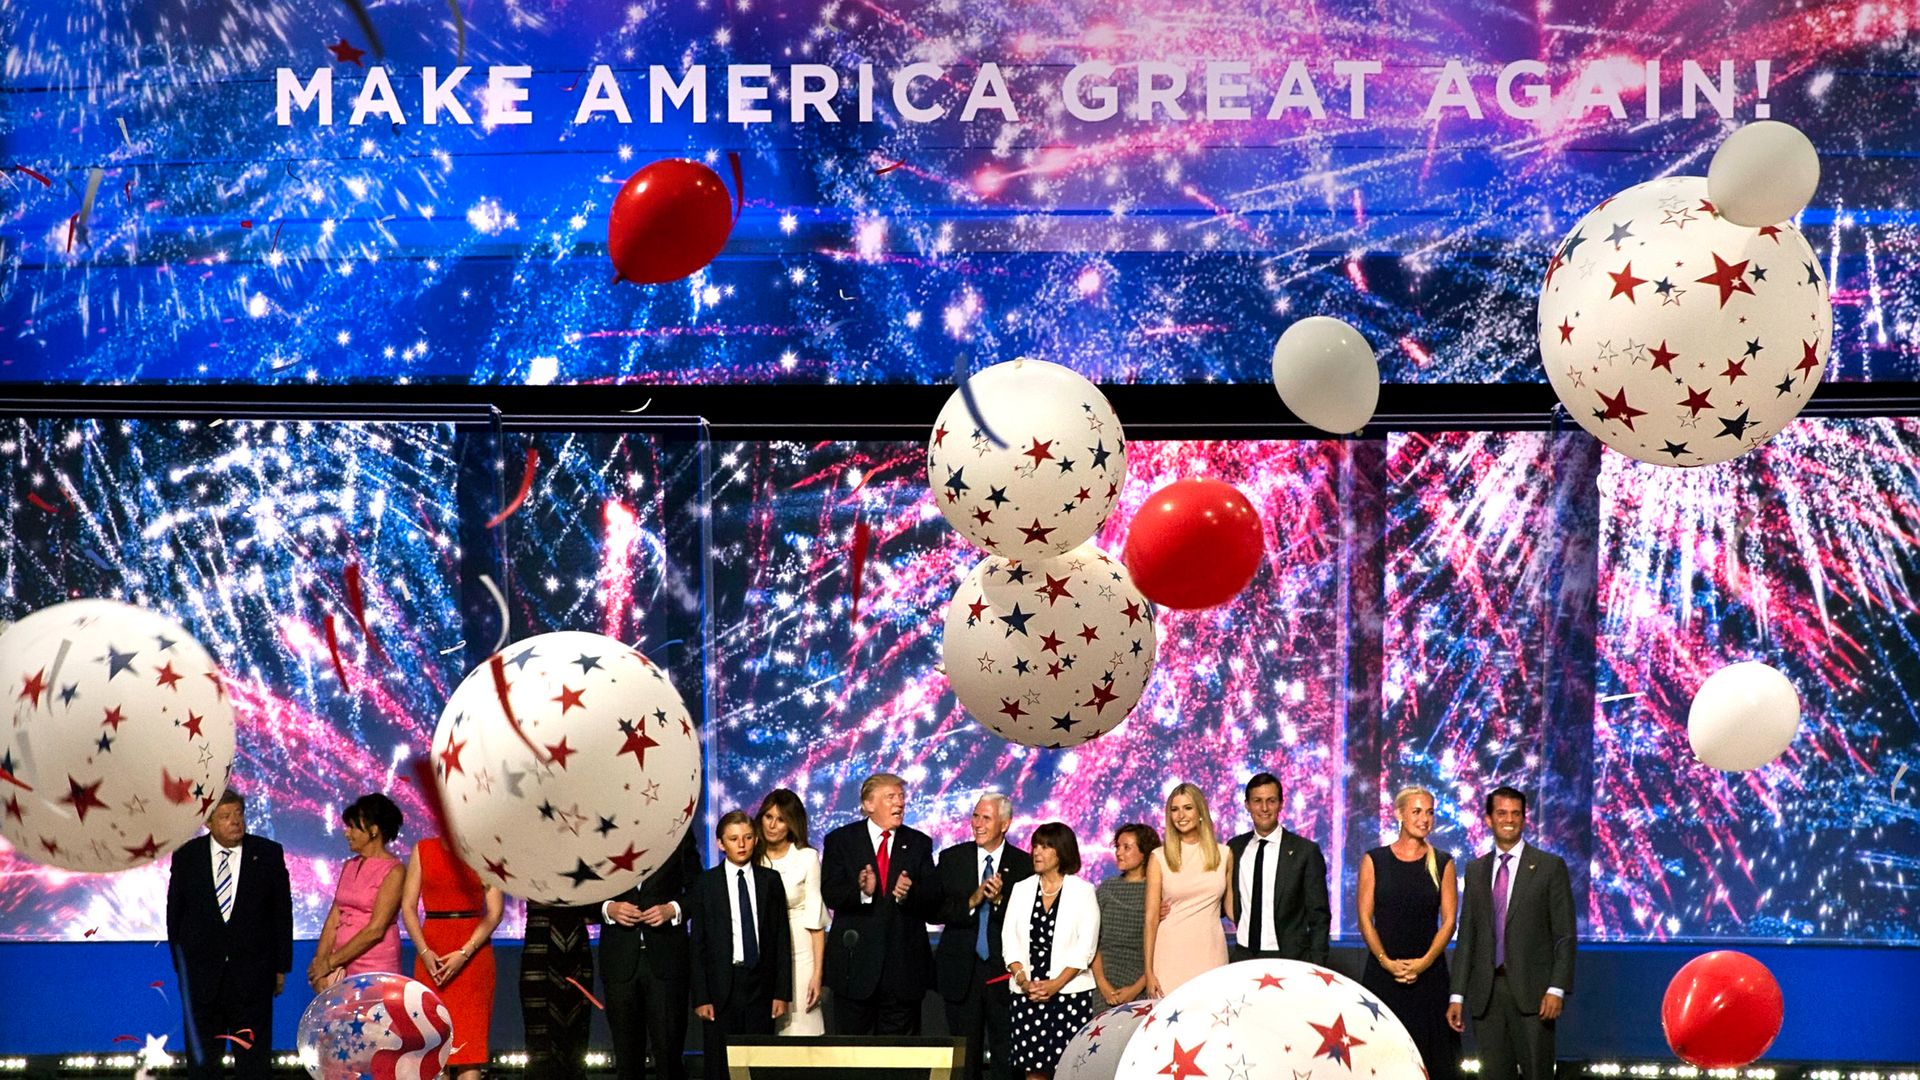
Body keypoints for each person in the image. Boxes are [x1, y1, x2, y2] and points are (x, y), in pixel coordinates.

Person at [1448, 787, 1577, 1080]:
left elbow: (1565, 935)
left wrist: (1556, 988)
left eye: (1516, 814)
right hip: (1486, 995)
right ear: (1489, 819)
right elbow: (1467, 935)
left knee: (1537, 1073)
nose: (1509, 820)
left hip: (1535, 996)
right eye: (1502, 813)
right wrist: (1457, 995)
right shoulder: (1476, 869)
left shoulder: (1549, 867)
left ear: (1524, 818)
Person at [166, 790, 293, 1080]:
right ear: (208, 822)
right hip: (202, 979)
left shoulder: (269, 853)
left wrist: (280, 967)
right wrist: (184, 969)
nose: (235, 822)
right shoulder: (187, 856)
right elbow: (175, 917)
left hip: (253, 978)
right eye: (225, 816)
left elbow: (281, 914)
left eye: (239, 814)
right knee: (203, 1065)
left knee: (254, 1063)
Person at [820, 772, 945, 1035]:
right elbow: (831, 894)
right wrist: (862, 892)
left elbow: (934, 900)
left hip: (903, 973)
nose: (899, 803)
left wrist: (908, 895)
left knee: (899, 1062)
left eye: (901, 797)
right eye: (891, 797)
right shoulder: (841, 841)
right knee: (852, 1057)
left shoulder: (918, 843)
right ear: (868, 804)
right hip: (854, 972)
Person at [1359, 786, 1460, 1080]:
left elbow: (1449, 921)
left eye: (1429, 812)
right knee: (1382, 1059)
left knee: (1432, 1059)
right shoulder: (1374, 860)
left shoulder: (1443, 862)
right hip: (1383, 976)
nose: (1424, 819)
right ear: (1399, 814)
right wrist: (1386, 961)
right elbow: (1365, 917)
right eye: (1417, 811)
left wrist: (1424, 962)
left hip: (1428, 977)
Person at [935, 793, 1033, 1080]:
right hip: (961, 974)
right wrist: (972, 900)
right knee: (964, 1058)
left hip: (1004, 973)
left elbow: (1028, 921)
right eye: (975, 816)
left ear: (1005, 824)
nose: (977, 824)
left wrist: (1001, 901)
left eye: (985, 818)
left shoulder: (1024, 865)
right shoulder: (952, 858)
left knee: (1007, 1056)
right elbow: (935, 910)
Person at [692, 812, 793, 1069]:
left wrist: (781, 992)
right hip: (722, 986)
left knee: (758, 1062)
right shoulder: (707, 883)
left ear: (756, 839)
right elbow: (699, 944)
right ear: (720, 843)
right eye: (734, 838)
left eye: (747, 837)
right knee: (720, 1062)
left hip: (760, 983)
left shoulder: (770, 880)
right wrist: (702, 996)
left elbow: (780, 938)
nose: (741, 844)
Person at [400, 835, 505, 1080]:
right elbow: (408, 907)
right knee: (436, 1051)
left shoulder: (488, 848)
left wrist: (464, 952)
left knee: (470, 1055)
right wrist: (425, 952)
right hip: (431, 952)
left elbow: (495, 912)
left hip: (474, 955)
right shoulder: (423, 850)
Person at [600, 829, 702, 1080]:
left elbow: (699, 889)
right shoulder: (602, 831)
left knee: (669, 1058)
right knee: (626, 1060)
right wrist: (609, 908)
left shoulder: (676, 828)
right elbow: (580, 890)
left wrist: (672, 910)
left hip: (666, 960)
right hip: (620, 961)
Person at [1002, 823, 1100, 1080]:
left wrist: (1054, 985)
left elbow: (1085, 948)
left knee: (1068, 1069)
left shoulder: (1083, 891)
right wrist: (1024, 982)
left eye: (1045, 846)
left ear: (1062, 852)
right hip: (1028, 995)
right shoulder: (1021, 889)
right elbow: (1009, 940)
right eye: (1035, 845)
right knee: (1034, 1071)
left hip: (1068, 995)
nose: (1037, 852)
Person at [1224, 772, 1331, 964]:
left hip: (1289, 959)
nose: (1264, 808)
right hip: (1242, 956)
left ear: (1281, 804)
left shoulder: (1305, 851)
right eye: (1257, 801)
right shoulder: (1234, 847)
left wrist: (1317, 965)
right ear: (1247, 804)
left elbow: (1319, 915)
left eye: (1271, 801)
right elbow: (1219, 898)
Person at [1142, 783, 1231, 996]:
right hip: (1170, 955)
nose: (1181, 815)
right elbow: (1151, 918)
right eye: (1174, 809)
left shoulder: (1224, 854)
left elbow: (1233, 910)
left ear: (1200, 811)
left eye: (1188, 808)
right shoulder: (1159, 857)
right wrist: (1148, 971)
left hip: (1211, 953)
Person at [309, 793, 404, 989]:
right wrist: (321, 962)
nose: (346, 833)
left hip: (375, 968)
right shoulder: (348, 866)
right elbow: (334, 916)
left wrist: (330, 963)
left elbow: (375, 930)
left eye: (353, 827)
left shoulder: (394, 871)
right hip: (340, 966)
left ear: (374, 830)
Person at [754, 789, 827, 1036]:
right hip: (760, 948)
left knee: (800, 1028)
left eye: (781, 819)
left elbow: (816, 921)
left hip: (799, 951)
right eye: (768, 817)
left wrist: (817, 975)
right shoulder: (751, 857)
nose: (772, 825)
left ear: (792, 823)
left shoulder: (807, 858)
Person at [520, 900, 598, 1080]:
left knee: (576, 1044)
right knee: (540, 1044)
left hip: (577, 952)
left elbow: (594, 907)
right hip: (538, 952)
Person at [1091, 823, 1158, 1006]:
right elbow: (1093, 942)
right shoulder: (1107, 889)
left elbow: (1161, 948)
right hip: (1104, 987)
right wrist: (1103, 985)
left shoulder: (1155, 892)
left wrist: (1136, 989)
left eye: (1127, 848)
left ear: (1144, 852)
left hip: (1143, 987)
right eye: (1117, 847)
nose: (1119, 853)